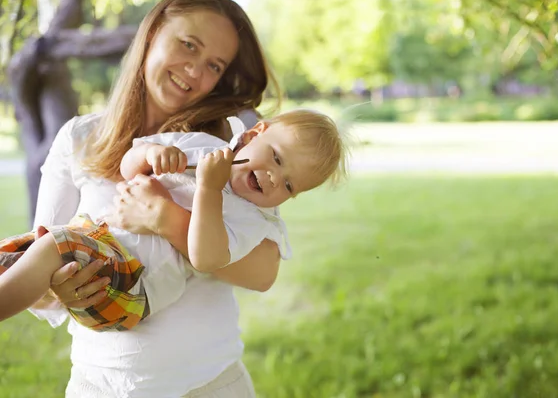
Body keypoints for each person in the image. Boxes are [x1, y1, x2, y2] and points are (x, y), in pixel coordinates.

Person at [24, 0, 291, 396]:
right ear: (152, 34)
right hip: (100, 383)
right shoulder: (79, 139)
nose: (196, 71)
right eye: (189, 45)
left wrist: (167, 219)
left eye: (215, 65)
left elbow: (263, 271)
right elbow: (39, 255)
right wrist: (59, 286)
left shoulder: (229, 147)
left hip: (208, 383)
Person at [0, 109, 346, 333]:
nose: (273, 178)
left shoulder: (253, 221)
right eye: (276, 158)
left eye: (289, 185)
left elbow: (207, 257)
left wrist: (209, 189)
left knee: (51, 247)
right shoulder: (202, 145)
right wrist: (150, 155)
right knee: (12, 254)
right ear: (255, 134)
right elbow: (128, 167)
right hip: (94, 243)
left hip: (133, 285)